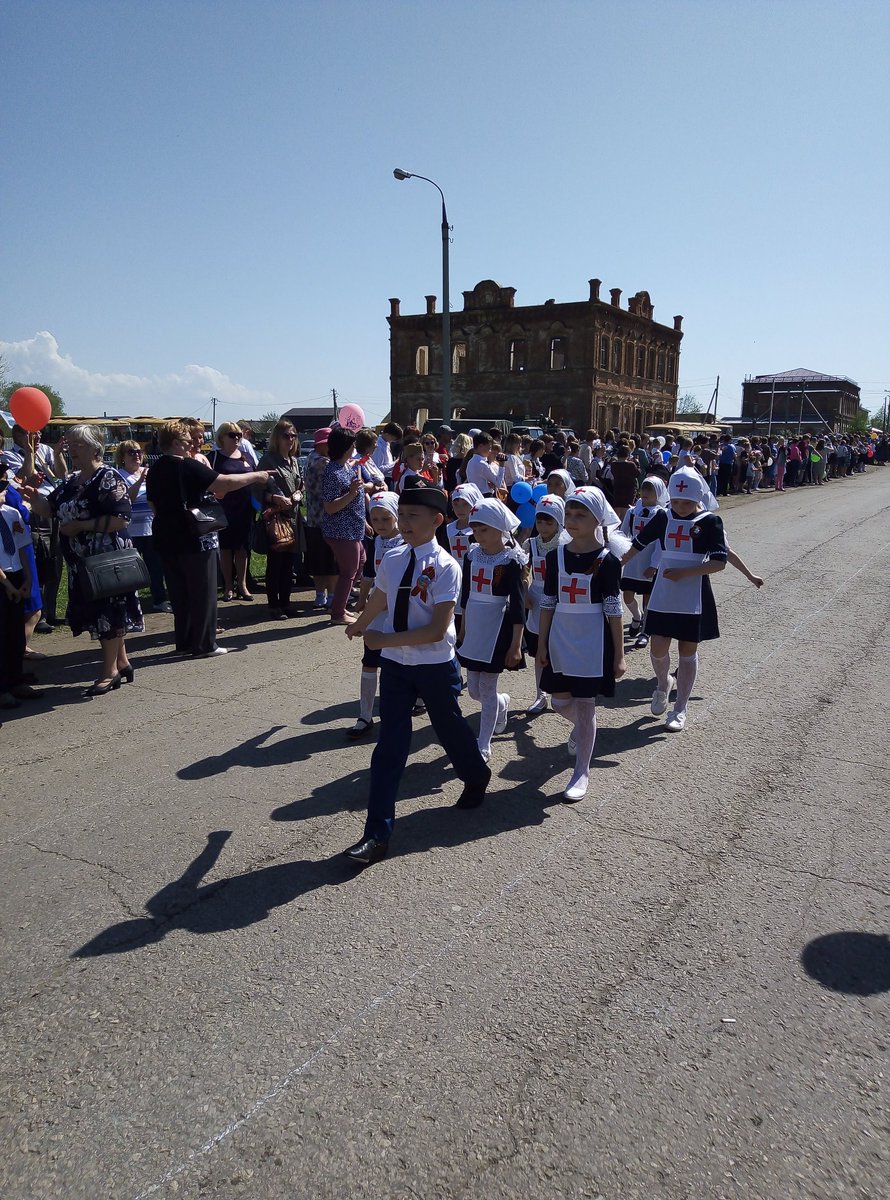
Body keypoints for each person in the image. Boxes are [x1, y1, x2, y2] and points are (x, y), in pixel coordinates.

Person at [342, 479, 492, 864]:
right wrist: (361, 623)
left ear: (437, 520)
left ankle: (476, 775)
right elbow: (381, 597)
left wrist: (382, 640)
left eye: (412, 516)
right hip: (396, 666)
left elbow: (437, 630)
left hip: (434, 665)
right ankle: (376, 836)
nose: (404, 522)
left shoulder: (446, 567)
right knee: (389, 747)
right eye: (402, 515)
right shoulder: (393, 558)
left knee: (449, 728)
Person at [23, 424, 144, 695]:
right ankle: (122, 662)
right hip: (82, 564)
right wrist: (33, 498)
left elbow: (121, 518)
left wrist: (81, 526)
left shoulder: (108, 477)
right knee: (105, 613)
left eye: (78, 444)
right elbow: (51, 508)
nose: (71, 449)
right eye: (70, 444)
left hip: (106, 562)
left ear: (95, 448)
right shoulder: (72, 480)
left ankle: (109, 672)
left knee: (107, 614)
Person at [146, 420, 271, 658]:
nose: (190, 444)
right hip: (195, 536)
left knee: (179, 593)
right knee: (203, 591)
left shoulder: (155, 468)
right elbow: (224, 482)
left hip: (165, 536)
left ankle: (185, 642)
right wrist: (256, 476)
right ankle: (205, 644)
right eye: (186, 441)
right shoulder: (187, 465)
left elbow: (153, 503)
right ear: (176, 443)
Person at [536, 487, 627, 801]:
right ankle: (585, 728)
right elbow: (548, 603)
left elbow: (614, 610)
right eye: (569, 514)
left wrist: (619, 654)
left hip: (593, 642)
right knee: (560, 702)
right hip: (560, 638)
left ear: (597, 519)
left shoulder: (607, 561)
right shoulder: (555, 557)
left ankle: (581, 771)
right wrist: (542, 644)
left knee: (586, 706)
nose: (572, 520)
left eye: (581, 515)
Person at [621, 466, 727, 733]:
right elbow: (638, 545)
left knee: (687, 651)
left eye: (686, 502)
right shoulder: (662, 516)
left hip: (693, 593)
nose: (680, 507)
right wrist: (614, 566)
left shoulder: (710, 522)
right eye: (676, 501)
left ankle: (680, 708)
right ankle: (663, 682)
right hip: (664, 591)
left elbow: (719, 562)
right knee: (657, 648)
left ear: (697, 499)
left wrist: (685, 573)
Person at [457, 498, 527, 762]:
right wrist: (463, 629)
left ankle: (483, 743)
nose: (478, 535)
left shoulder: (511, 559)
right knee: (474, 690)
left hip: (497, 628)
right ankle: (502, 702)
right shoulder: (471, 555)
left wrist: (516, 644)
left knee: (486, 688)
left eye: (484, 529)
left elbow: (518, 604)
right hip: (474, 625)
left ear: (499, 528)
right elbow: (466, 595)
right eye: (475, 529)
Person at [345, 491, 403, 739]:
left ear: (397, 516)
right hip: (378, 608)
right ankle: (365, 715)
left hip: (400, 610)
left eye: (386, 519)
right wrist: (361, 600)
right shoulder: (375, 541)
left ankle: (409, 703)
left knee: (400, 661)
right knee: (370, 659)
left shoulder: (407, 543)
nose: (380, 524)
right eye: (375, 519)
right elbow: (369, 573)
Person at [524, 492, 570, 714]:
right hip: (537, 600)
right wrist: (524, 592)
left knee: (559, 647)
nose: (543, 526)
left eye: (548, 522)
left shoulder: (566, 544)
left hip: (561, 601)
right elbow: (523, 571)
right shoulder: (530, 544)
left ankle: (564, 690)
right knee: (539, 649)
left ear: (559, 522)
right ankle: (540, 694)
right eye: (539, 521)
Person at [114, 440, 171, 613]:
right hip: (130, 531)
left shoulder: (149, 472)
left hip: (151, 528)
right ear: (122, 457)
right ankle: (130, 603)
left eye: (139, 451)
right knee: (130, 569)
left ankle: (159, 599)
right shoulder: (118, 475)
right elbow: (126, 500)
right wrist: (139, 481)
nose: (136, 455)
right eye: (131, 452)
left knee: (156, 567)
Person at [256, 420, 304, 618]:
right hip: (276, 520)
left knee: (288, 564)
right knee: (275, 564)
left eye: (293, 435)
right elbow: (255, 491)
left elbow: (299, 485)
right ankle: (273, 605)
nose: (290, 439)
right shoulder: (268, 461)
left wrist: (300, 493)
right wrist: (273, 498)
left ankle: (285, 603)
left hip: (293, 518)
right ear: (277, 437)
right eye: (286, 435)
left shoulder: (294, 461)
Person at [0, 465, 38, 709]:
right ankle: (2, 688)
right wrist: (7, 585)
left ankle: (16, 680)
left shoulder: (11, 513)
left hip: (15, 578)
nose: (5, 489)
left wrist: (27, 580)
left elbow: (22, 546)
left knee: (15, 633)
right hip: (2, 580)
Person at [321, 427, 367, 625]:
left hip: (353, 529)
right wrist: (352, 493)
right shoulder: (332, 472)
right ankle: (338, 612)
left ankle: (340, 605)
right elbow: (330, 507)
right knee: (348, 571)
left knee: (361, 562)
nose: (354, 447)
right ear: (346, 446)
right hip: (340, 531)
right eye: (352, 443)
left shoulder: (346, 467)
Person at [619, 475, 669, 649]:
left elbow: (661, 543)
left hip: (649, 561)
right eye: (644, 488)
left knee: (648, 599)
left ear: (659, 493)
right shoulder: (632, 512)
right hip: (633, 561)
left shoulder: (662, 514)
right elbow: (623, 534)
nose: (646, 492)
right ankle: (637, 616)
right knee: (627, 595)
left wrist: (654, 564)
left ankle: (645, 632)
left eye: (651, 490)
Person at [209, 422, 255, 601]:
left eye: (239, 435)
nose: (236, 438)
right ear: (221, 437)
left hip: (245, 509)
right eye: (232, 435)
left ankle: (242, 585)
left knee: (242, 549)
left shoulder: (246, 457)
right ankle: (228, 585)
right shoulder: (213, 457)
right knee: (226, 549)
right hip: (223, 509)